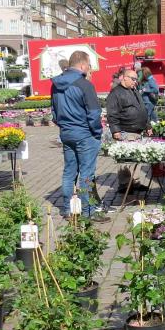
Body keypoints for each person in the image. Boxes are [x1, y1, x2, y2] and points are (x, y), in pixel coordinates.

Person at [52, 51, 104, 217]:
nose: (89, 68)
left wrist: (63, 125)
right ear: (82, 65)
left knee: (69, 172)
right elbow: (94, 113)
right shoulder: (85, 85)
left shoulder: (56, 84)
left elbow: (54, 110)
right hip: (84, 133)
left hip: (66, 132)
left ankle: (68, 209)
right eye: (89, 64)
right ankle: (87, 212)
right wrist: (97, 132)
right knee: (87, 174)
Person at [106, 67, 151, 193]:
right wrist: (115, 130)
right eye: (133, 79)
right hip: (125, 130)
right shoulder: (115, 93)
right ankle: (125, 185)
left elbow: (142, 109)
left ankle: (135, 182)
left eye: (136, 79)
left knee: (136, 159)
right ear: (124, 78)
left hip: (136, 131)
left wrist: (147, 126)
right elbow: (112, 114)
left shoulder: (134, 91)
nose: (135, 81)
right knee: (125, 161)